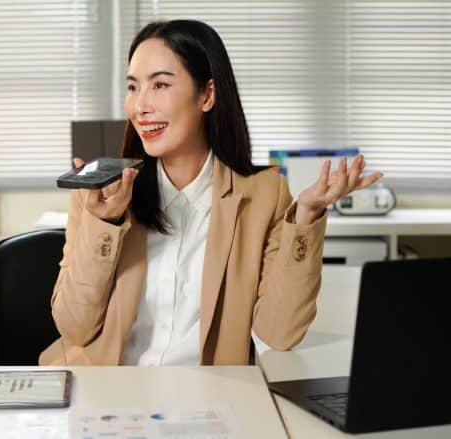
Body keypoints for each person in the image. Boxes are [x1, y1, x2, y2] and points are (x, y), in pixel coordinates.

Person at [40, 20, 382, 366]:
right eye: (133, 87)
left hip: (208, 395)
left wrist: (306, 216)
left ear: (207, 94)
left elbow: (280, 334)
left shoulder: (264, 195)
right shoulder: (103, 190)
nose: (140, 107)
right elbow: (75, 327)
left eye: (160, 85)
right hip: (105, 390)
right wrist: (105, 223)